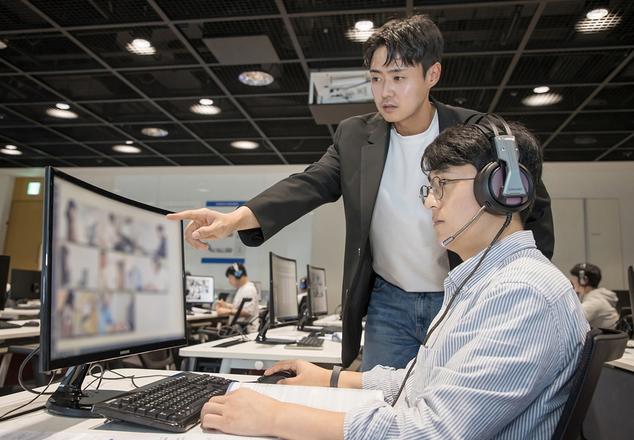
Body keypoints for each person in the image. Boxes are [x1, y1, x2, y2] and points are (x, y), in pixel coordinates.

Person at [167, 14, 555, 370]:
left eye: (399, 77)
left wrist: (519, 283)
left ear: (432, 74)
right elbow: (310, 183)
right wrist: (235, 219)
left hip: (462, 295)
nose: (385, 92)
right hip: (390, 301)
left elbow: (531, 207)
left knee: (454, 402)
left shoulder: (476, 133)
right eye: (376, 78)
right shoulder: (355, 136)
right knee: (377, 400)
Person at [199, 119, 587, 440]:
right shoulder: (487, 283)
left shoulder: (522, 292)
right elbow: (420, 382)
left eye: (442, 185)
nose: (429, 201)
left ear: (502, 189)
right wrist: (332, 379)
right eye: (430, 187)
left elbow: (430, 432)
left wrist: (275, 417)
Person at [570, 262, 619, 329]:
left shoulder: (594, 302)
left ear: (584, 280)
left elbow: (571, 322)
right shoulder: (598, 297)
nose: (572, 281)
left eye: (574, 279)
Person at [216, 263, 260, 333]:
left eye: (230, 278)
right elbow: (239, 307)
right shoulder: (243, 288)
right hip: (240, 330)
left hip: (246, 332)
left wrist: (227, 311)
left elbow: (247, 312)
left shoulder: (248, 290)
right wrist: (226, 305)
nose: (229, 281)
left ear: (238, 275)